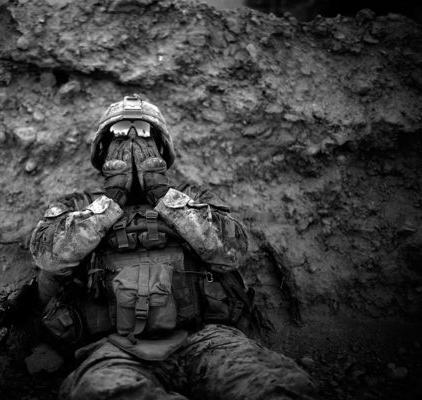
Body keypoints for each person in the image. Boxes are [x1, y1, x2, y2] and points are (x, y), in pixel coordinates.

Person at [29, 95, 317, 400]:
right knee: (98, 393)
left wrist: (163, 195)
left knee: (276, 387)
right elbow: (48, 257)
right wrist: (110, 201)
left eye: (142, 133)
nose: (131, 141)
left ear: (161, 148)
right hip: (115, 348)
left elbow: (231, 251)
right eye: (118, 134)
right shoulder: (78, 205)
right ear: (102, 150)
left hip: (206, 340)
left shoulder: (192, 197)